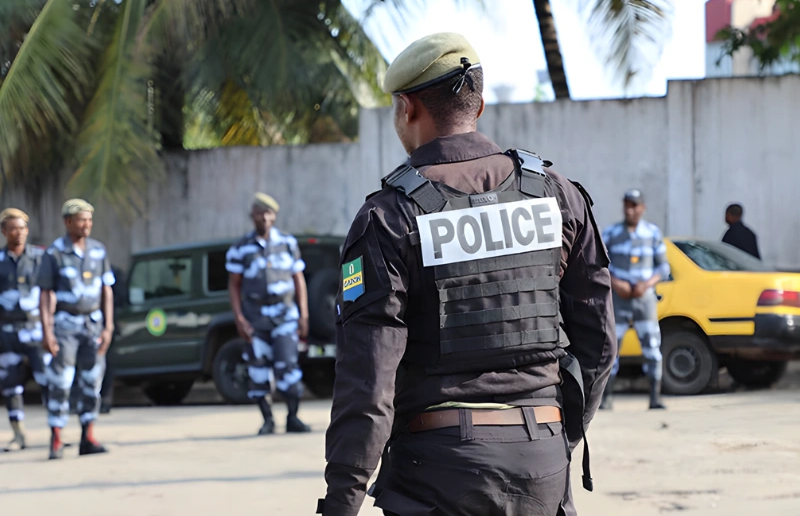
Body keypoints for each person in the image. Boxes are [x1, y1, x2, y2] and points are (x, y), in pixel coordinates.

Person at [319, 32, 615, 516]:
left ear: (407, 108)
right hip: (542, 463)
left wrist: (341, 500)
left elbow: (368, 380)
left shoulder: (391, 217)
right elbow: (599, 343)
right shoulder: (556, 196)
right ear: (478, 105)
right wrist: (562, 434)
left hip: (436, 473)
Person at [226, 193, 311, 435]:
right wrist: (239, 318)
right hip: (255, 319)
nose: (263, 218)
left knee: (289, 367)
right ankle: (267, 420)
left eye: (268, 213)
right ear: (252, 216)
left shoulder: (287, 243)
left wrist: (303, 314)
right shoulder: (240, 249)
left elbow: (299, 279)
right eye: (259, 213)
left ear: (274, 216)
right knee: (258, 370)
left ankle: (293, 417)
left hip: (285, 317)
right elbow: (233, 285)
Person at [39, 199, 115, 459]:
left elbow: (107, 289)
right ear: (68, 222)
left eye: (90, 220)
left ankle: (88, 437)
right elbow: (46, 294)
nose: (87, 225)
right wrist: (47, 331)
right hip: (65, 326)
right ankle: (57, 438)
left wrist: (108, 326)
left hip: (92, 326)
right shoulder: (54, 253)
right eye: (82, 220)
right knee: (61, 382)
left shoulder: (98, 250)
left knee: (92, 381)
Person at [600, 189, 670, 411]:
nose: (630, 210)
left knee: (651, 347)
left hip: (644, 301)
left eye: (635, 205)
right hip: (618, 300)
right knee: (612, 347)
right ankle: (606, 397)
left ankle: (654, 397)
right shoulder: (611, 233)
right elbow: (597, 264)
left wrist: (647, 284)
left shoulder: (652, 233)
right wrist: (615, 282)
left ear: (643, 208)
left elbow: (663, 268)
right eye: (627, 205)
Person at [0, 208, 49, 451]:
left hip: (37, 330)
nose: (17, 233)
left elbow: (50, 294)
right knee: (11, 384)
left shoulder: (40, 258)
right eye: (12, 229)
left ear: (27, 231)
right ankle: (18, 435)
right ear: (4, 232)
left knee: (48, 380)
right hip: (7, 332)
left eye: (21, 228)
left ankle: (55, 432)